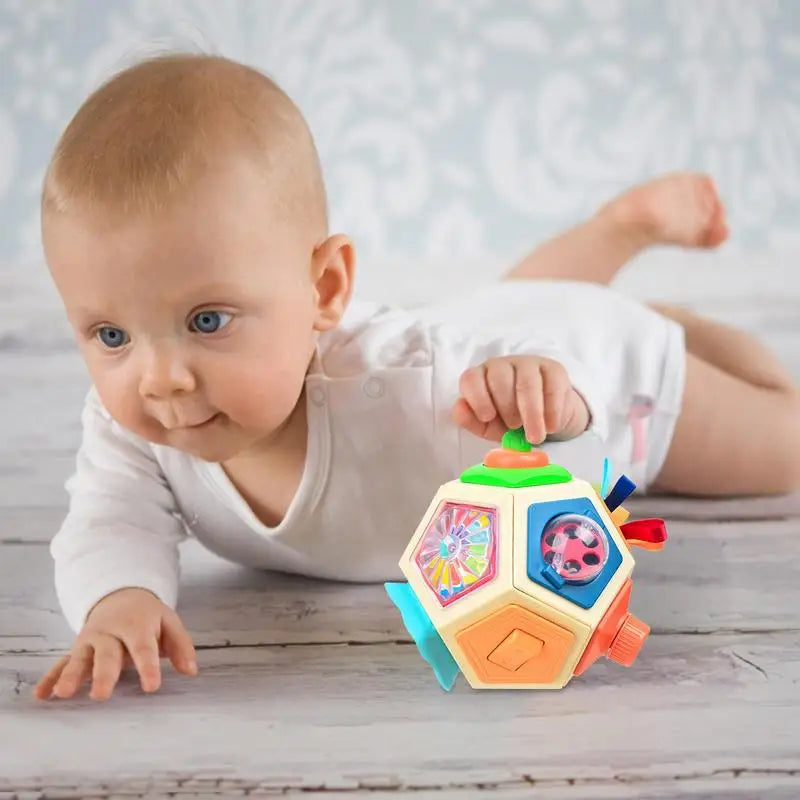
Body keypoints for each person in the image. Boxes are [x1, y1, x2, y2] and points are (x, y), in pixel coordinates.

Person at [33, 54, 800, 702]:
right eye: (111, 334)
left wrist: (549, 405)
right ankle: (613, 234)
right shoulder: (130, 430)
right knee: (500, 310)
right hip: (501, 317)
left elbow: (563, 473)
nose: (161, 379)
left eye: (207, 321)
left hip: (612, 374)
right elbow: (108, 521)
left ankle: (673, 323)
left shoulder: (412, 381)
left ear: (325, 290)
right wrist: (118, 599)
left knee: (784, 443)